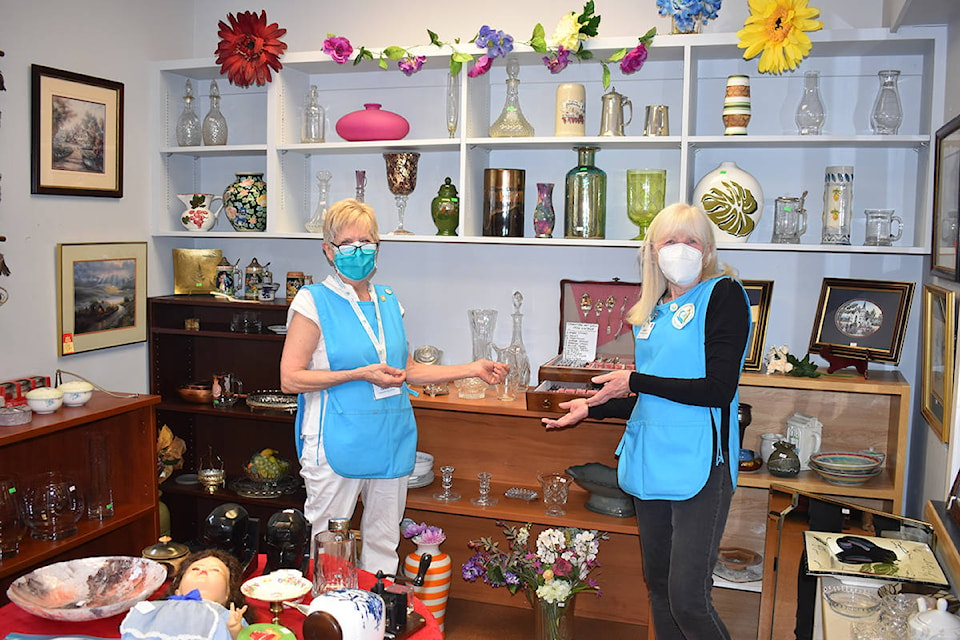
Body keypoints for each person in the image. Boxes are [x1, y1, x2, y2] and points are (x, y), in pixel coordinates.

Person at [542, 203, 751, 640]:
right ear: (652, 251)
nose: (681, 249)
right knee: (659, 589)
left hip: (701, 464)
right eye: (670, 241)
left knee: (688, 598)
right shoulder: (650, 312)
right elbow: (651, 397)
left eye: (691, 240)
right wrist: (593, 407)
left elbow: (717, 389)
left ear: (708, 250)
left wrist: (633, 379)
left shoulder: (724, 295)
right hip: (651, 458)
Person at [280, 198, 507, 575]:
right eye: (347, 244)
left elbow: (407, 371)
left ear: (378, 248)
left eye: (366, 243)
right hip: (336, 439)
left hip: (389, 434)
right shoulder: (312, 302)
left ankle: (376, 620)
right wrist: (358, 374)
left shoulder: (389, 301)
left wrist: (473, 368)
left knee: (384, 541)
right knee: (330, 544)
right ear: (328, 250)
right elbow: (290, 379)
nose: (359, 251)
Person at [120, 549, 248, 640]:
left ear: (227, 596)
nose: (203, 570)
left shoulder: (227, 617)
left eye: (216, 570)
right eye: (195, 569)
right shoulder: (156, 609)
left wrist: (235, 630)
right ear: (178, 589)